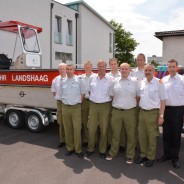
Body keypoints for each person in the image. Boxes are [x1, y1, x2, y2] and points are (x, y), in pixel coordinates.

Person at [106, 63, 139, 164]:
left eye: (126, 69)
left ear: (130, 70)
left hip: (130, 112)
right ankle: (113, 152)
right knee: (115, 134)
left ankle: (130, 155)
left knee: (131, 135)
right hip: (117, 111)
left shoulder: (135, 81)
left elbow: (138, 96)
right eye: (122, 69)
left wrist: (129, 104)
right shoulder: (114, 81)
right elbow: (112, 95)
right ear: (120, 70)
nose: (124, 70)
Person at [135, 64, 166, 167]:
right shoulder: (142, 82)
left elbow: (163, 100)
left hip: (153, 113)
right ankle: (143, 154)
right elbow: (139, 97)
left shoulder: (159, 83)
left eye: (150, 70)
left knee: (152, 136)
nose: (147, 72)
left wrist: (161, 115)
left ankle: (151, 157)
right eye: (146, 70)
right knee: (142, 135)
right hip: (142, 112)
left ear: (154, 71)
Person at [157, 59, 184, 169]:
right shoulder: (164, 80)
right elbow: (161, 97)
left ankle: (175, 158)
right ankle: (167, 154)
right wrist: (161, 114)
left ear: (177, 67)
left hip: (178, 110)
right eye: (170, 66)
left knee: (176, 135)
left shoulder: (182, 80)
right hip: (166, 109)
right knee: (166, 134)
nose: (172, 68)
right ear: (167, 68)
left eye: (173, 66)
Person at [85, 60, 112, 158]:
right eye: (99, 66)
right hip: (93, 105)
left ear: (106, 67)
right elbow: (87, 91)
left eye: (103, 66)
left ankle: (102, 150)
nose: (101, 68)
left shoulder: (110, 79)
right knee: (91, 128)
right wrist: (91, 98)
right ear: (97, 67)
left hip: (105, 106)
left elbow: (112, 93)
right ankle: (90, 148)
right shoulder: (92, 78)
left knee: (104, 129)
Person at [60, 64, 85, 158]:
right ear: (66, 70)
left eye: (71, 69)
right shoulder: (63, 81)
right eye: (67, 69)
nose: (69, 71)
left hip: (76, 108)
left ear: (74, 70)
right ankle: (70, 148)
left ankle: (78, 150)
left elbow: (83, 93)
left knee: (77, 129)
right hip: (65, 107)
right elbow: (60, 93)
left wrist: (79, 101)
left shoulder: (79, 80)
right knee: (68, 129)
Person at [79, 61, 95, 147]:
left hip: (93, 102)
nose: (88, 68)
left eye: (89, 67)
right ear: (84, 68)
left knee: (93, 122)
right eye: (86, 67)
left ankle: (93, 140)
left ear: (92, 67)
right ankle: (85, 139)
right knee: (85, 122)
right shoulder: (80, 78)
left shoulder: (96, 77)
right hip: (84, 102)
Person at [51, 63, 67, 148]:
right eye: (60, 69)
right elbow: (54, 91)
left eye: (63, 68)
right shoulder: (55, 80)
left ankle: (69, 140)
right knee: (61, 122)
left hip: (68, 103)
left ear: (66, 69)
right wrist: (59, 98)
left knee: (68, 122)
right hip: (60, 103)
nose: (61, 70)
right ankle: (62, 140)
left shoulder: (71, 78)